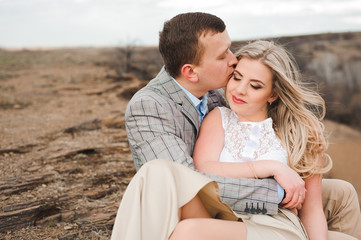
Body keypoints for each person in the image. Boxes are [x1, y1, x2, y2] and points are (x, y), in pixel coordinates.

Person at [110, 12, 361, 240]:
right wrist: (277, 189)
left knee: (342, 193)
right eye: (223, 56)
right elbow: (191, 184)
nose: (234, 61)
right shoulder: (151, 106)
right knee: (163, 180)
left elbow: (310, 198)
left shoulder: (219, 94)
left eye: (231, 49)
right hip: (207, 206)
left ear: (273, 94)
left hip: (268, 216)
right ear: (190, 72)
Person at [192, 40, 331, 239]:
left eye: (255, 86)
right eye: (237, 78)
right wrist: (273, 167)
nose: (239, 90)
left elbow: (312, 209)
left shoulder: (303, 132)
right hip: (226, 222)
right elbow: (203, 169)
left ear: (273, 94)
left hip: (277, 226)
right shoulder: (219, 118)